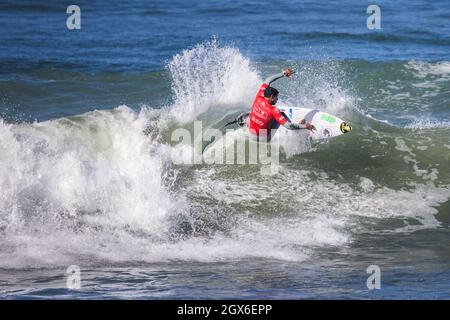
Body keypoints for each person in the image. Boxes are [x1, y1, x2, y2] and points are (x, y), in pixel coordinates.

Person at [248, 68, 315, 141]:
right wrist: (306, 126)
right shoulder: (273, 110)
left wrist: (283, 73)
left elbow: (268, 80)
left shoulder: (259, 96)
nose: (277, 99)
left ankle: (245, 120)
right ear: (272, 97)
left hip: (251, 135)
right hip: (264, 139)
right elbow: (288, 126)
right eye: (276, 97)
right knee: (281, 114)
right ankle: (297, 131)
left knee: (253, 112)